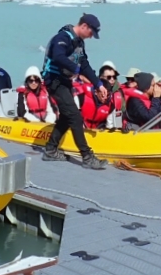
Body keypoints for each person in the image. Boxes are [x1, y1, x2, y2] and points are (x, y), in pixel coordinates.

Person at [40, 13, 107, 170]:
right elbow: (58, 57)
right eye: (91, 33)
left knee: (67, 116)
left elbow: (84, 64)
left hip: (65, 81)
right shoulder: (62, 37)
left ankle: (50, 150)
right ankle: (87, 157)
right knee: (75, 117)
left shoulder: (79, 43)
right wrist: (76, 70)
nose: (91, 37)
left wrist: (98, 84)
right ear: (84, 26)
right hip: (54, 81)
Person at [82, 63, 124, 130]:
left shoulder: (118, 96)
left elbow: (117, 122)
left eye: (114, 77)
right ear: (101, 77)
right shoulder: (85, 93)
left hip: (102, 131)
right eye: (109, 77)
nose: (112, 79)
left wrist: (118, 128)